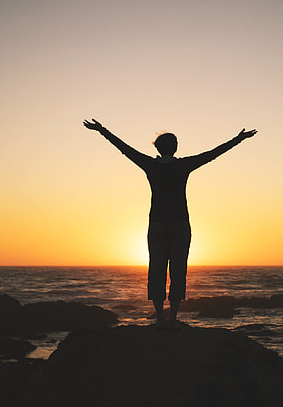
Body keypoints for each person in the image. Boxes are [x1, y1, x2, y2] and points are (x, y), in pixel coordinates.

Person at [83, 118, 257, 328]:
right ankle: (173, 319)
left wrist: (102, 130)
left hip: (157, 224)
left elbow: (124, 149)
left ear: (158, 148)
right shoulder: (183, 165)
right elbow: (213, 154)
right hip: (180, 224)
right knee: (178, 270)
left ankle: (159, 319)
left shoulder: (150, 165)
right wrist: (238, 139)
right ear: (175, 148)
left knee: (156, 269)